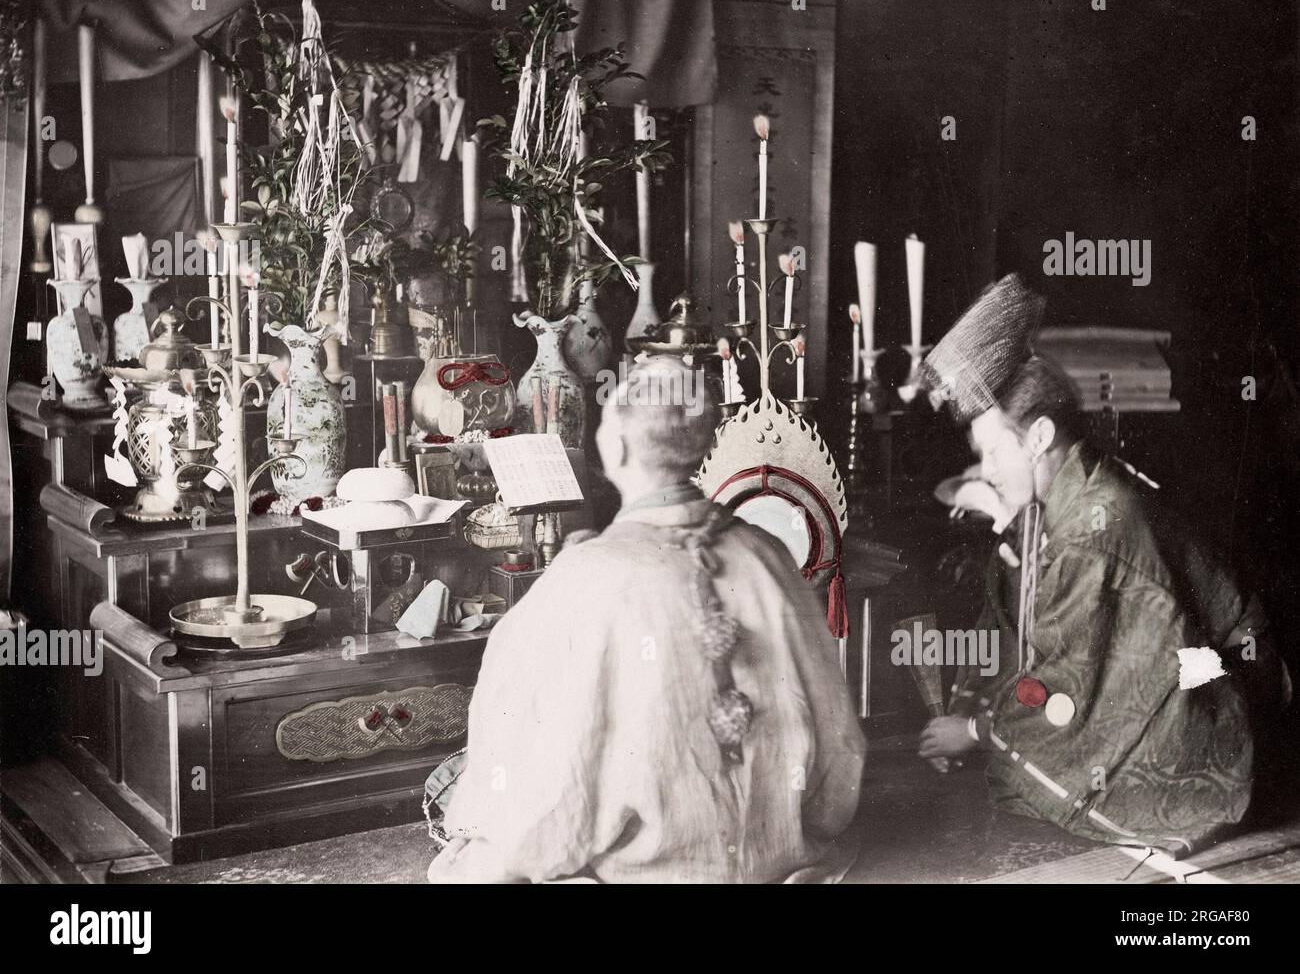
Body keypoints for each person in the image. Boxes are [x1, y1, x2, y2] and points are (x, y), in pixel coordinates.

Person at [426, 359, 865, 883]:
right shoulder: (768, 553)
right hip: (781, 864)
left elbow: (537, 808)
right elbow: (839, 753)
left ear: (618, 449)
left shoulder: (583, 576)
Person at [917, 275, 1287, 857]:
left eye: (992, 452)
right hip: (1201, 671)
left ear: (1038, 437)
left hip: (1219, 703)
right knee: (1018, 775)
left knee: (1025, 779)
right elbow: (1031, 636)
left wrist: (973, 731)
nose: (983, 471)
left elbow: (1073, 681)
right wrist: (973, 705)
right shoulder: (1062, 497)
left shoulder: (1096, 526)